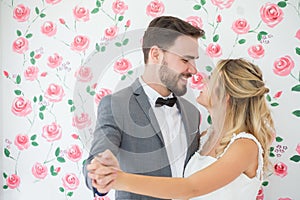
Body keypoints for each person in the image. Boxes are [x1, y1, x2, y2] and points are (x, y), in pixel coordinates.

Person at [87, 58, 275, 200]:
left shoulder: (245, 146)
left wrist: (117, 179)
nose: (202, 81)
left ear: (225, 95)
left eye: (210, 80)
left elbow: (190, 187)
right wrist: (100, 169)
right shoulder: (203, 137)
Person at [83, 16, 205, 199]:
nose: (194, 70)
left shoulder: (192, 112)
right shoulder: (116, 105)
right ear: (156, 55)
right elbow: (98, 156)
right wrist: (99, 173)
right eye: (185, 59)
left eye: (194, 60)